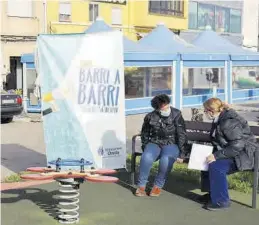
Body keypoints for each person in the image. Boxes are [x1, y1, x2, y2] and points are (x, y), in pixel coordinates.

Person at [200, 98, 258, 210]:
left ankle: (221, 201)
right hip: (231, 152)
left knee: (216, 166)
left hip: (243, 155)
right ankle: (213, 195)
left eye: (205, 111)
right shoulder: (220, 118)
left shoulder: (228, 122)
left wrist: (216, 156)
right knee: (205, 160)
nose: (205, 113)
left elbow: (238, 145)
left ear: (211, 111)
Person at [135, 94, 188, 197]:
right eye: (163, 106)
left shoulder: (176, 114)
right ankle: (141, 186)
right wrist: (145, 146)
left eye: (167, 105)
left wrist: (182, 153)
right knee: (146, 157)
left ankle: (157, 186)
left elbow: (182, 134)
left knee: (165, 160)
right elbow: (145, 133)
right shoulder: (150, 116)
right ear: (157, 108)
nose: (166, 107)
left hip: (171, 143)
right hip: (155, 142)